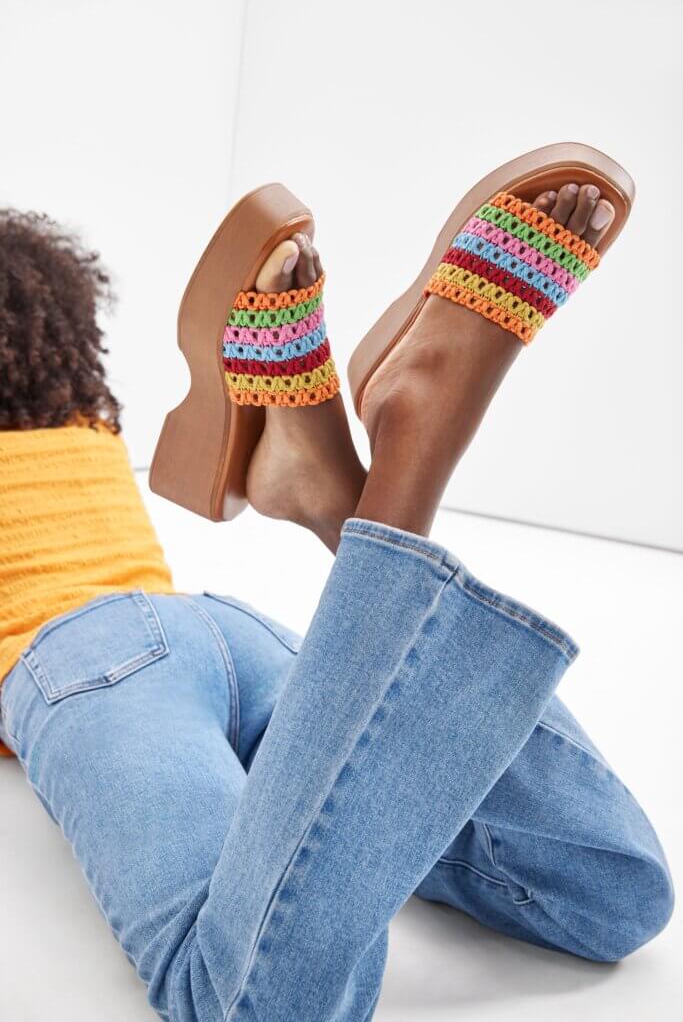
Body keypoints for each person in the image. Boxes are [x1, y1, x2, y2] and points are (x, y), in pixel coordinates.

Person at [0, 184, 673, 1022]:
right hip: (235, 631)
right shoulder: (82, 428)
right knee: (608, 893)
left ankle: (395, 469)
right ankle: (344, 496)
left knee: (245, 1002)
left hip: (84, 663)